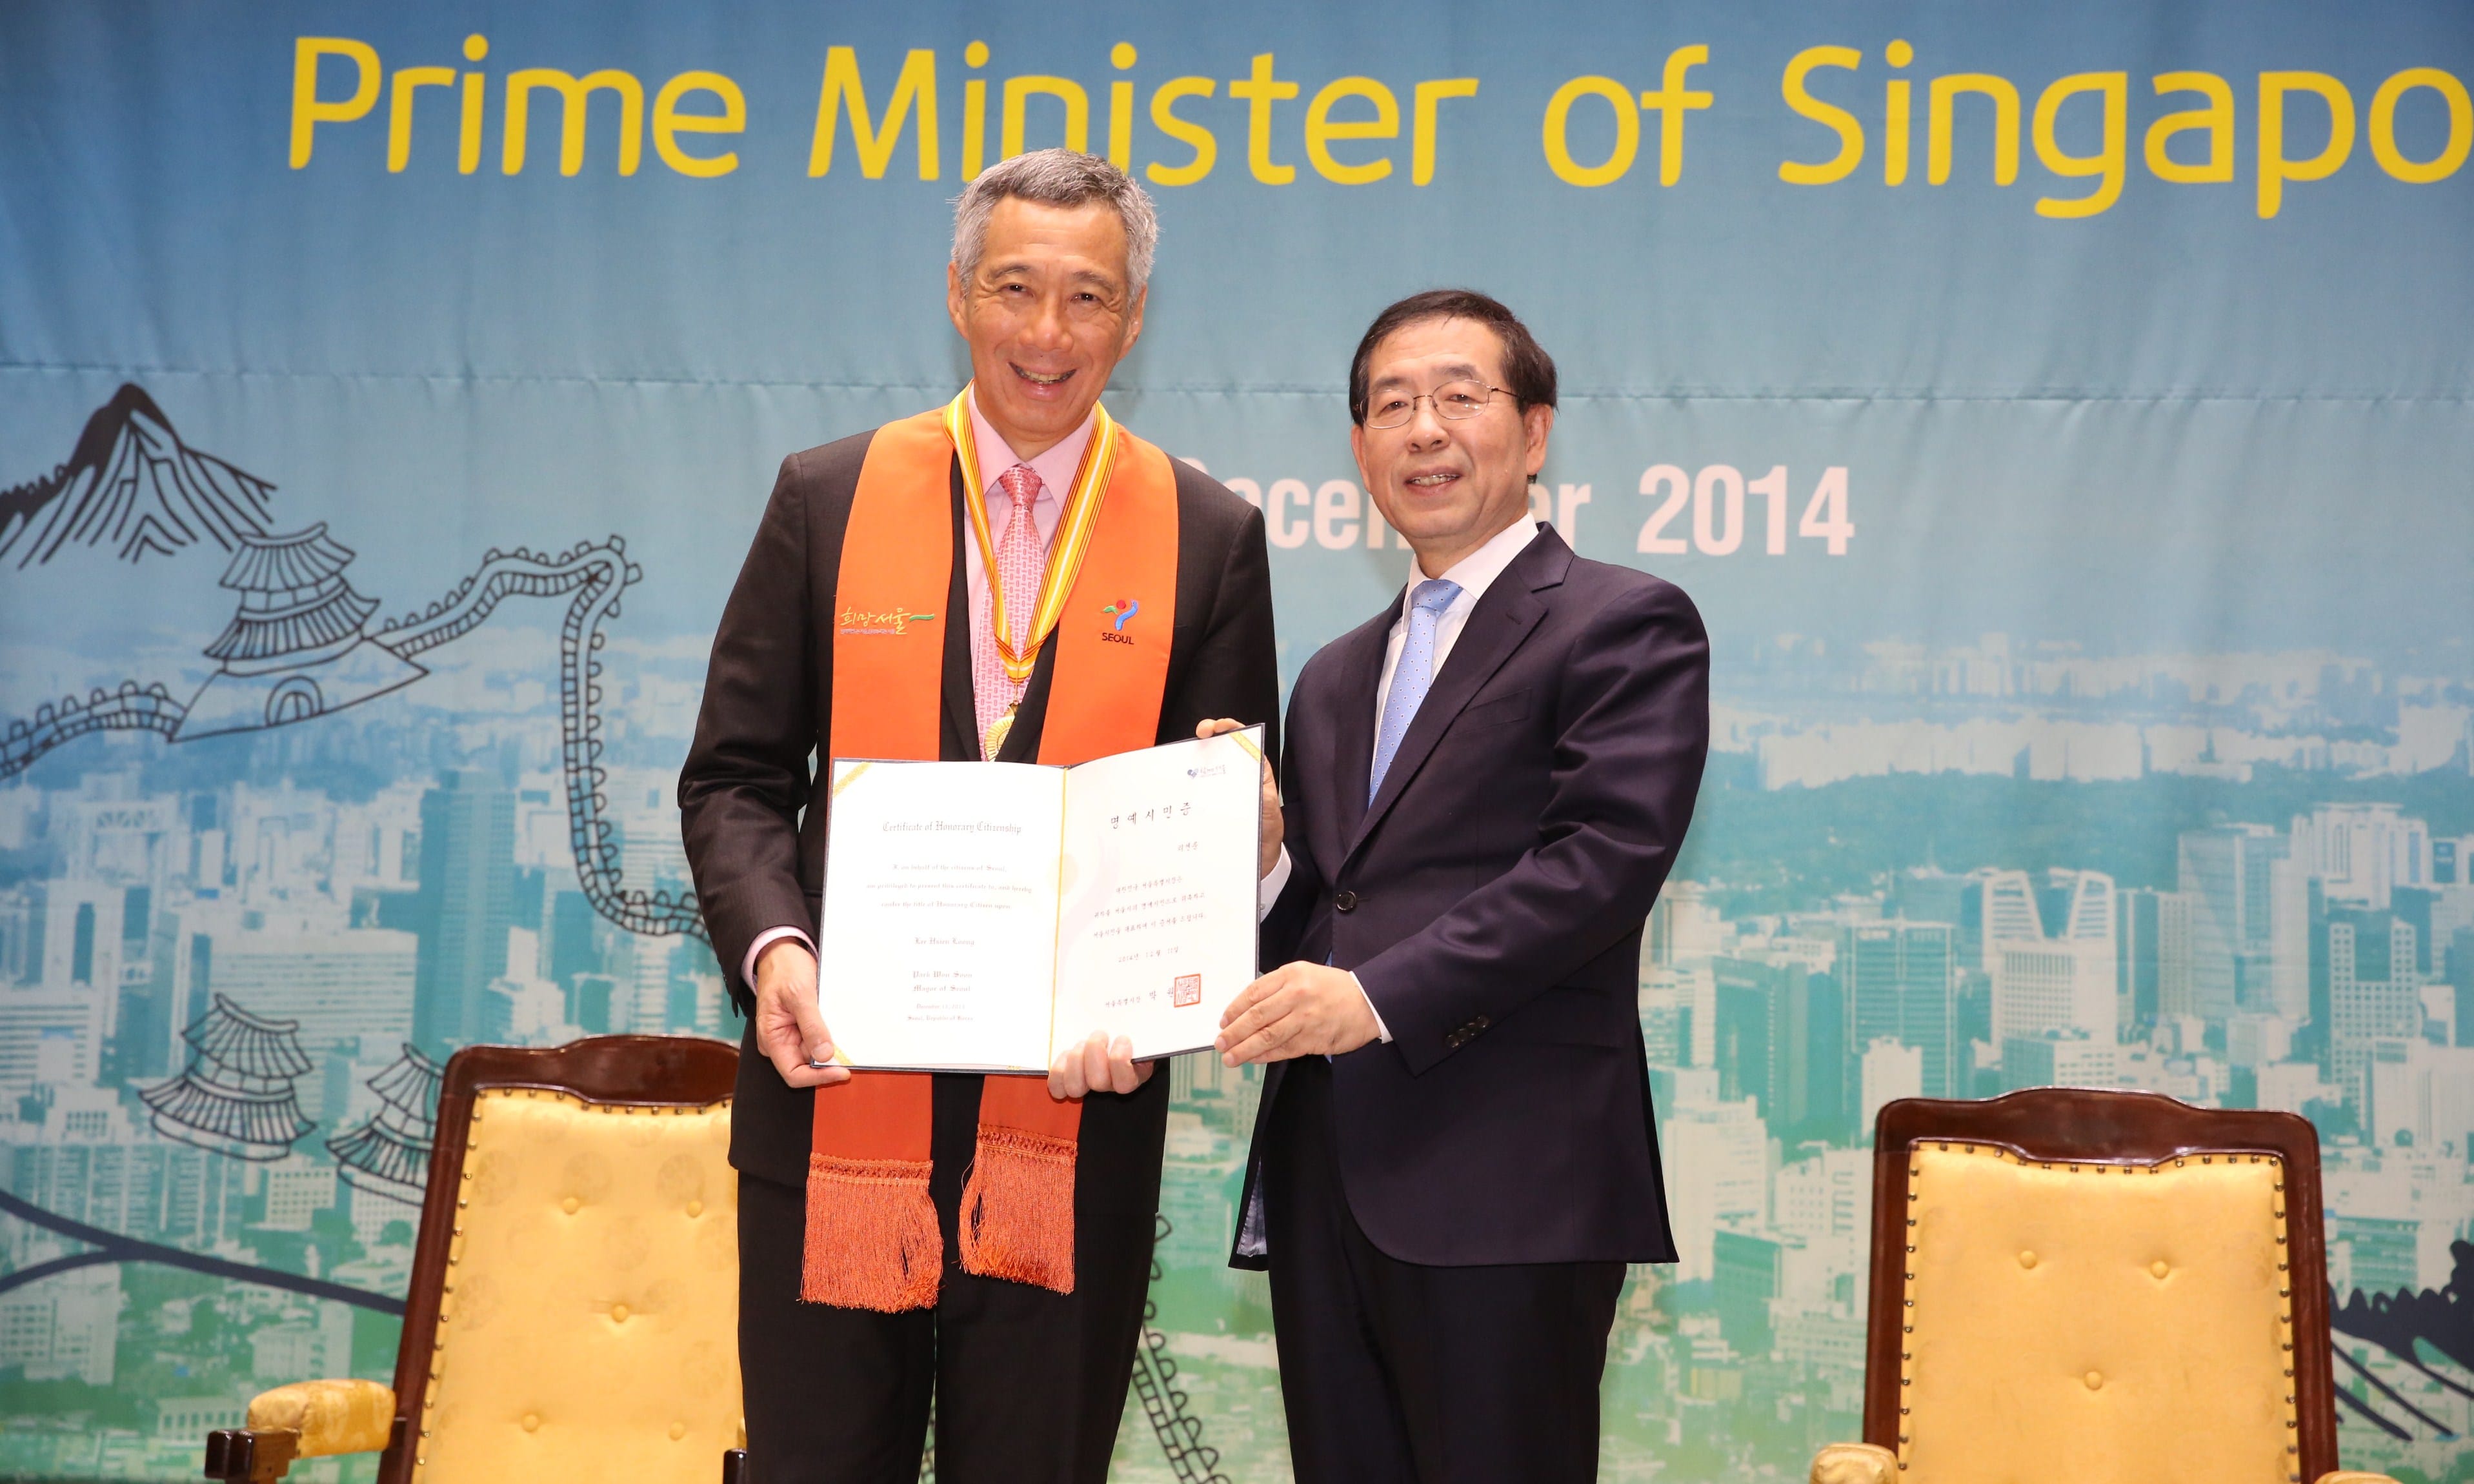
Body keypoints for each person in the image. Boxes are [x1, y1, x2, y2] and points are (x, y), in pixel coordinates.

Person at [679, 149, 1280, 1484]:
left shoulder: (1208, 535)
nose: (1047, 333)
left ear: (1132, 321)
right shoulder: (828, 495)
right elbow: (732, 777)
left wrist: (1241, 855)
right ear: (959, 294)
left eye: (1088, 298)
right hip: (831, 1112)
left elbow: (1219, 823)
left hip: (1073, 1135)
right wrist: (778, 951)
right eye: (1016, 288)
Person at [1218, 288, 1710, 1483]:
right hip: (1328, 1172)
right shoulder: (1335, 675)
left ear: (1533, 433)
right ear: (1358, 453)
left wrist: (1374, 999)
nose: (1424, 430)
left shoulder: (1621, 623)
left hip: (1511, 1179)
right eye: (1392, 406)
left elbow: (1600, 865)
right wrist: (1268, 858)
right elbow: (1328, 910)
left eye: (1458, 397)